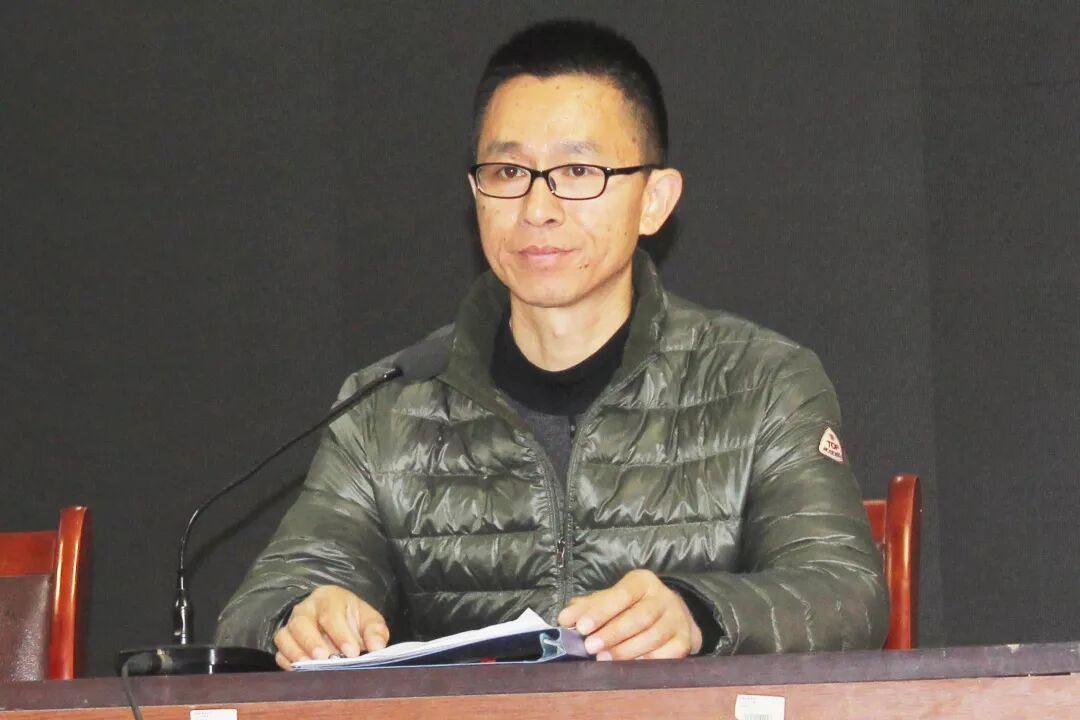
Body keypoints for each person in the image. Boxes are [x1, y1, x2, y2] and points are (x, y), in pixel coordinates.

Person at [216, 19, 888, 669]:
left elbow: (845, 595)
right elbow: (257, 608)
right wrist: (301, 616)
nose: (537, 209)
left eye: (578, 171)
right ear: (475, 193)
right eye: (508, 172)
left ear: (654, 200)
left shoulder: (762, 382)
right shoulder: (385, 407)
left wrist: (698, 613)